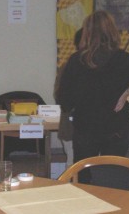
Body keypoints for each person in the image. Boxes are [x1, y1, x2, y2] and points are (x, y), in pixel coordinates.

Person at [57, 10, 129, 183]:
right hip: (117, 128)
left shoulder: (77, 61)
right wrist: (127, 92)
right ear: (113, 31)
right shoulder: (124, 59)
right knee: (111, 179)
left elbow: (64, 100)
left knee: (85, 178)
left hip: (86, 128)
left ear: (87, 32)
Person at [54, 28, 82, 167]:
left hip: (88, 128)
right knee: (72, 162)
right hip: (72, 125)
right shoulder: (70, 65)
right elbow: (60, 96)